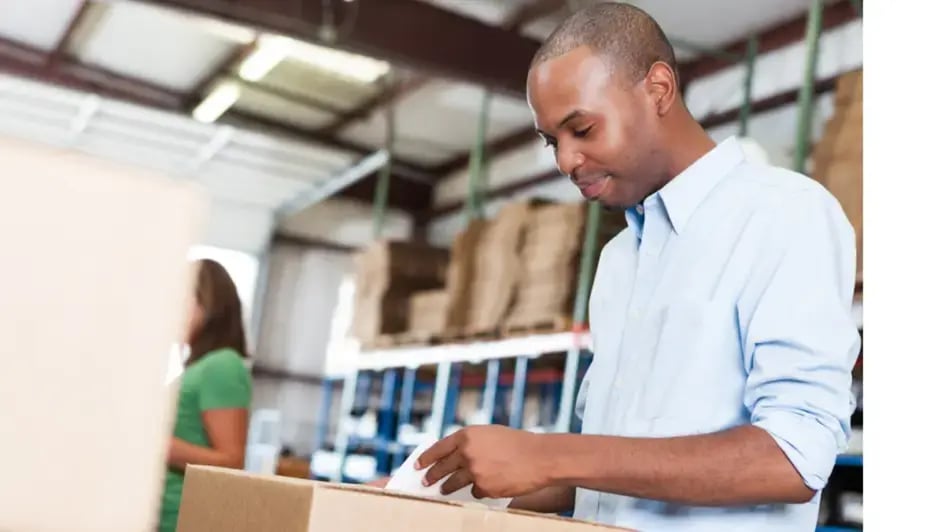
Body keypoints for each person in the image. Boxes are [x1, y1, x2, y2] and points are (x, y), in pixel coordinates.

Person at [408, 3, 861, 531]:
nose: (565, 162)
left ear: (659, 90)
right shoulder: (620, 260)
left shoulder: (782, 215)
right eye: (553, 141)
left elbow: (794, 458)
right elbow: (605, 478)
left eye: (582, 128)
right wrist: (433, 489)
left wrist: (548, 455)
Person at [158, 259, 253, 531]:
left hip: (180, 519)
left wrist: (160, 445)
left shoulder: (223, 365)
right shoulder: (199, 367)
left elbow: (232, 461)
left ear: (207, 303)